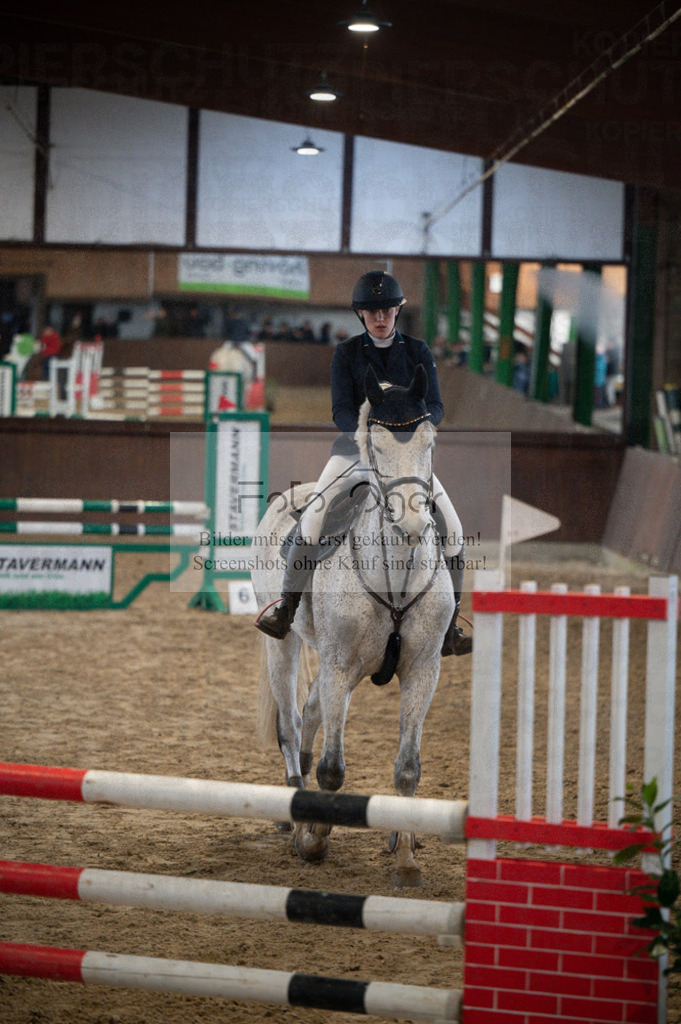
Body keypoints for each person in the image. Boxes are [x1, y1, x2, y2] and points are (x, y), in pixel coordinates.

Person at [256, 270, 472, 657]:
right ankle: (286, 607)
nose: (381, 317)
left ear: (396, 312)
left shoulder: (419, 352)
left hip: (405, 460)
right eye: (373, 312)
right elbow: (340, 409)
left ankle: (452, 625)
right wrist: (368, 431)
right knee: (311, 522)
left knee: (453, 530)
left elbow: (436, 406)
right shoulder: (347, 353)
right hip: (353, 454)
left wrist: (409, 426)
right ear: (361, 315)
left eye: (387, 310)